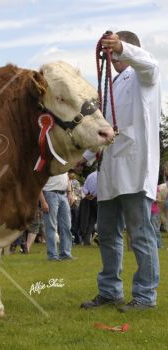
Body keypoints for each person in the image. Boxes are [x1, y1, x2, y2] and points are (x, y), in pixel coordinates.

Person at [81, 31, 161, 312]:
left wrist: (123, 47)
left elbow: (150, 64)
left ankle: (144, 296)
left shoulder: (144, 76)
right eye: (109, 55)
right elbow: (107, 127)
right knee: (107, 234)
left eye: (114, 53)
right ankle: (110, 291)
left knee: (140, 236)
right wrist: (86, 157)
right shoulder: (111, 86)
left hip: (136, 169)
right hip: (110, 171)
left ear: (127, 49)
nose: (111, 59)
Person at [40, 173, 73, 261]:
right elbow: (37, 182)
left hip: (63, 195)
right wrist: (43, 201)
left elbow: (68, 177)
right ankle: (52, 255)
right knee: (51, 226)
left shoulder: (64, 162)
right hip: (50, 194)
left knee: (67, 226)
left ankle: (65, 254)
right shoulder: (44, 160)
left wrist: (69, 192)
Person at [79, 171, 98, 246]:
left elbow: (85, 187)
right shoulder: (103, 173)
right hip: (99, 198)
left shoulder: (90, 175)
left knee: (91, 220)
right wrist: (95, 194)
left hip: (89, 198)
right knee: (102, 219)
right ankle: (103, 240)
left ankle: (86, 240)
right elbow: (100, 186)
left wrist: (88, 194)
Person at [69, 170, 83, 244]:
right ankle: (74, 239)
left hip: (73, 205)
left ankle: (76, 239)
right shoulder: (71, 182)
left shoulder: (75, 182)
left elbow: (78, 195)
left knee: (73, 223)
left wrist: (74, 201)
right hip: (71, 205)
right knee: (72, 223)